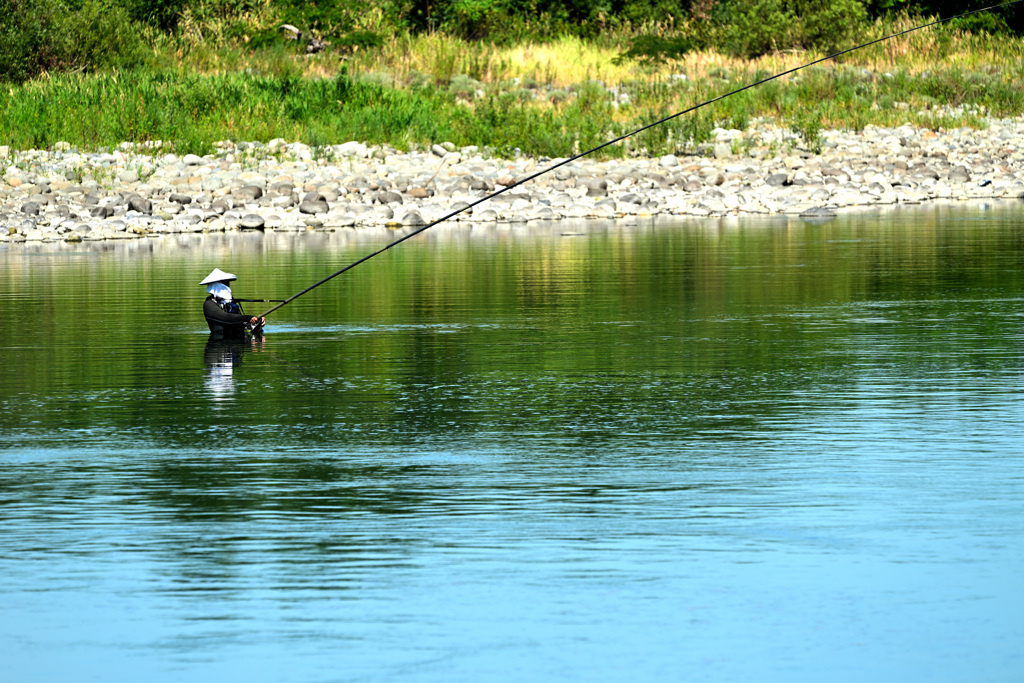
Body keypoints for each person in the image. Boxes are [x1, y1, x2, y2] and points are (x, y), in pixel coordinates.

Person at [201, 268, 266, 338]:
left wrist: (256, 321)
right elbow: (226, 318)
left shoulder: (230, 302)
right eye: (225, 283)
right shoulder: (209, 305)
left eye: (227, 283)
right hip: (219, 343)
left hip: (238, 342)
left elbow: (238, 319)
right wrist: (248, 318)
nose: (227, 287)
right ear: (215, 286)